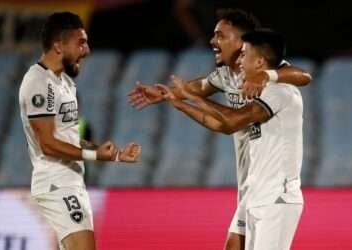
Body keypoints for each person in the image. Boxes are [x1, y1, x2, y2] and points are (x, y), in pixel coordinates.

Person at [128, 8, 311, 250]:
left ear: (241, 41)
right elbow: (198, 93)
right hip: (251, 186)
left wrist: (266, 75)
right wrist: (167, 96)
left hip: (274, 190)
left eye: (220, 35)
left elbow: (304, 76)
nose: (213, 41)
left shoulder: (276, 83)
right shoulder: (225, 76)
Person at [19, 12, 142, 250]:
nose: (86, 50)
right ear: (58, 45)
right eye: (81, 43)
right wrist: (96, 155)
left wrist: (111, 153)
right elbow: (48, 143)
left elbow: (70, 138)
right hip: (56, 183)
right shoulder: (38, 82)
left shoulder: (65, 84)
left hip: (73, 181)